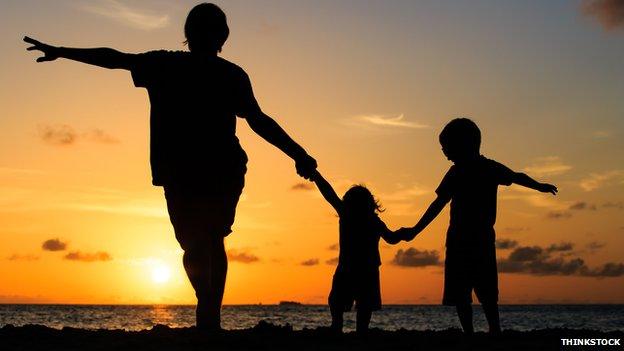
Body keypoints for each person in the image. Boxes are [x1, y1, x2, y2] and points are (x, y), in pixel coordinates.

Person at [24, 3, 317, 331]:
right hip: (202, 171)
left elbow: (117, 58)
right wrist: (63, 52)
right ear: (220, 36)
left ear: (193, 35)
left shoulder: (182, 67)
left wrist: (299, 154)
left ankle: (208, 312)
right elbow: (115, 58)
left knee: (199, 241)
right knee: (208, 239)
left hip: (206, 171)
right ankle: (209, 311)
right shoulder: (189, 68)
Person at [399, 118, 557, 335]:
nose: (444, 151)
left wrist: (538, 186)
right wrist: (415, 230)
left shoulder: (469, 171)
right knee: (471, 291)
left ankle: (487, 331)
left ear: (463, 144)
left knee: (482, 290)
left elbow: (438, 204)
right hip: (468, 240)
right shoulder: (481, 169)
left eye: (446, 146)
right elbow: (515, 176)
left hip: (471, 240)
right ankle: (483, 332)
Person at [311, 171, 401, 334]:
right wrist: (405, 233)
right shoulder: (371, 220)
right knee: (359, 304)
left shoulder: (348, 215)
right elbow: (392, 238)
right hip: (365, 269)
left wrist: (316, 175)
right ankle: (358, 331)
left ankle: (338, 327)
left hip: (350, 267)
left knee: (340, 301)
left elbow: (329, 193)